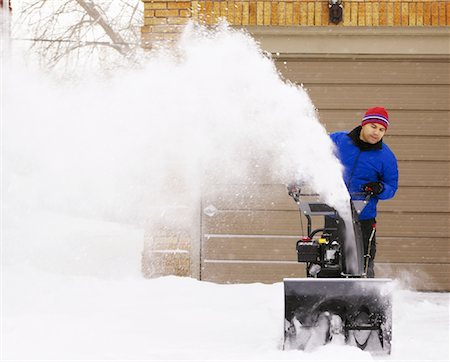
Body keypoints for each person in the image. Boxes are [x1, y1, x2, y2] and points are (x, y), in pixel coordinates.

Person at [329, 106, 399, 278]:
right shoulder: (338, 140)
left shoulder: (386, 157)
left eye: (382, 129)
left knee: (362, 264)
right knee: (330, 259)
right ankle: (329, 299)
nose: (377, 132)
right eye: (373, 126)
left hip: (364, 219)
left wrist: (380, 188)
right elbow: (314, 158)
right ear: (363, 124)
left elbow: (391, 187)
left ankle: (363, 299)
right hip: (333, 214)